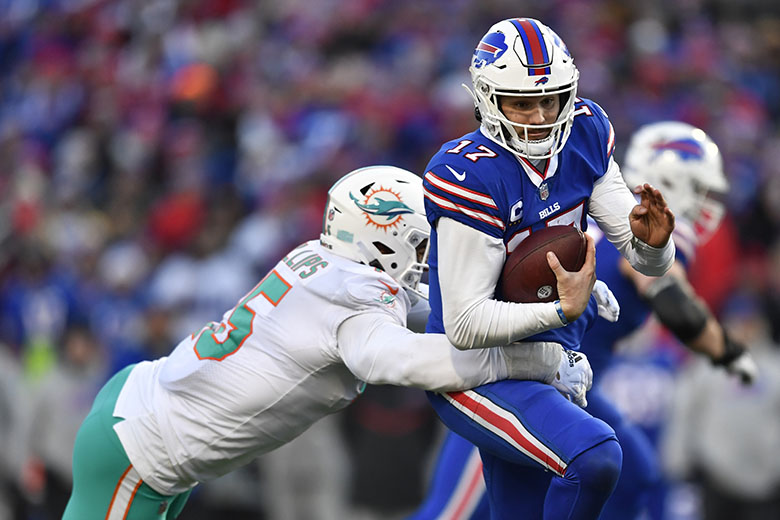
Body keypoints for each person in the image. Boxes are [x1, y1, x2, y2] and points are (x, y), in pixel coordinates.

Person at [62, 165, 594, 520]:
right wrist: (540, 358)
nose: (428, 259)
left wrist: (531, 309)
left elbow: (439, 312)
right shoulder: (351, 295)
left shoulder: (326, 265)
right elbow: (407, 362)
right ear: (381, 236)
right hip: (143, 448)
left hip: (152, 424)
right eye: (419, 242)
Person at [409, 121, 759, 520]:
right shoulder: (642, 232)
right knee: (451, 513)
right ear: (666, 178)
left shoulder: (609, 217)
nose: (705, 202)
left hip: (568, 383)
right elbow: (676, 305)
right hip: (514, 378)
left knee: (631, 473)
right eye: (698, 188)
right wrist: (730, 353)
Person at [419, 18, 677, 520]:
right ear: (488, 99)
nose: (539, 116)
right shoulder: (468, 170)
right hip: (474, 373)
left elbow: (638, 249)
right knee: (595, 456)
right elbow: (465, 325)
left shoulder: (583, 131)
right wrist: (562, 308)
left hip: (550, 358)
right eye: (522, 102)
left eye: (551, 100)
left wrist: (655, 245)